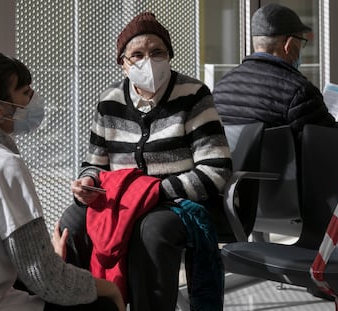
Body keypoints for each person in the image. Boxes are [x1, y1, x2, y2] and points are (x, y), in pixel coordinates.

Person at [59, 12, 232, 311]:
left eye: (157, 52)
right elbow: (95, 166)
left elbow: (216, 170)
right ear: (123, 64)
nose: (147, 61)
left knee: (152, 230)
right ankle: (87, 305)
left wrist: (153, 193)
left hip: (177, 202)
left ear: (169, 56)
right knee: (73, 221)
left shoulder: (193, 95)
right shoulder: (110, 100)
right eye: (136, 55)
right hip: (123, 201)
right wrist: (88, 183)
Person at [0, 51, 125, 311]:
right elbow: (45, 279)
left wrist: (49, 259)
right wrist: (109, 288)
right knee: (102, 304)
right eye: (25, 93)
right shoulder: (0, 164)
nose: (34, 100)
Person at [212, 3, 338, 137]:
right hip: (279, 168)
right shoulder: (298, 92)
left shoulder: (222, 87)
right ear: (288, 45)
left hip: (234, 167)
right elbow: (331, 143)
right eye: (302, 42)